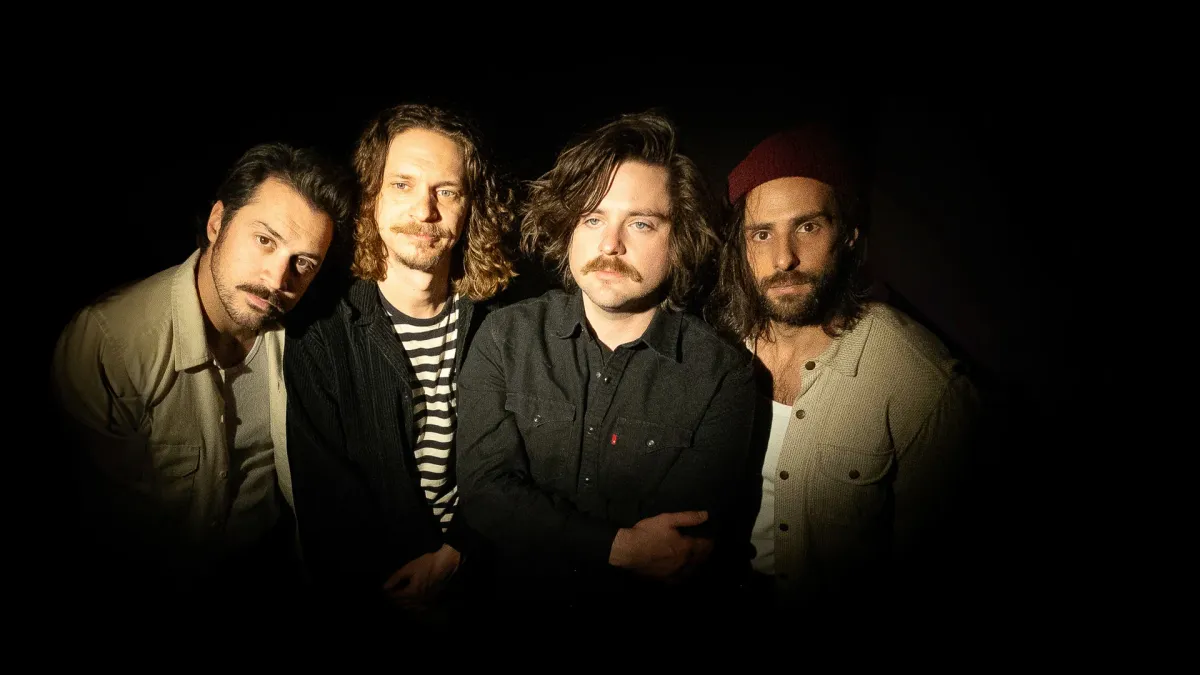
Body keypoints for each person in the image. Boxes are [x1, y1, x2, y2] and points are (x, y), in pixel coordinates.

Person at [456, 112, 756, 629]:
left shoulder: (724, 376)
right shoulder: (504, 337)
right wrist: (618, 545)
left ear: (679, 239)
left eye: (641, 223)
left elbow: (674, 548)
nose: (610, 244)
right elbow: (484, 493)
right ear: (569, 229)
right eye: (592, 218)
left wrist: (548, 530)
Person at [51, 142, 354, 612]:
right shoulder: (111, 342)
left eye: (303, 263)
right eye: (265, 240)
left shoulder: (307, 342)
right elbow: (99, 526)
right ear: (217, 223)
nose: (278, 279)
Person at [709, 123, 982, 614]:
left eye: (808, 227)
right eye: (762, 234)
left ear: (850, 237)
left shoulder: (921, 382)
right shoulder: (713, 347)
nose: (783, 258)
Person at [283, 104, 517, 624]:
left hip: (487, 579)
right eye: (403, 185)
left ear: (471, 206)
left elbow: (519, 466)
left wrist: (458, 555)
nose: (425, 211)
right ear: (372, 196)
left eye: (446, 191)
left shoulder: (504, 324)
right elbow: (325, 498)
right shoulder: (321, 331)